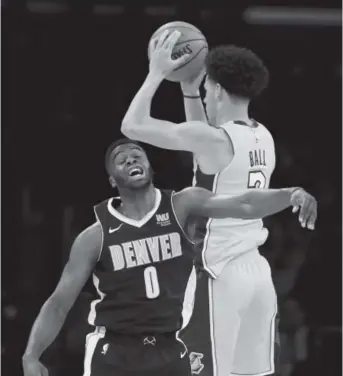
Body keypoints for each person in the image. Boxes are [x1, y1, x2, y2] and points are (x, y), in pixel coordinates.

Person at [22, 139, 316, 376]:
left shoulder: (182, 205)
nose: (130, 159)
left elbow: (244, 204)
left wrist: (290, 194)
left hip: (170, 347)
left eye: (137, 155)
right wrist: (32, 355)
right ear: (113, 180)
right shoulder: (94, 236)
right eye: (120, 159)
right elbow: (59, 303)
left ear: (150, 167)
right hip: (113, 352)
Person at [121, 30, 317, 376]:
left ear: (218, 89)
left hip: (218, 273)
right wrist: (188, 89)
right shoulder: (262, 135)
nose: (205, 98)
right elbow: (205, 142)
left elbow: (132, 125)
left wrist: (156, 73)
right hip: (256, 275)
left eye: (207, 89)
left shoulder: (214, 141)